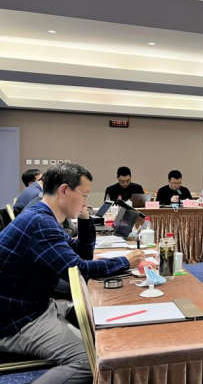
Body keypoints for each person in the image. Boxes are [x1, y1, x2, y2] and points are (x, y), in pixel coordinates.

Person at [0, 163, 145, 384]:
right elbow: (78, 270)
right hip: (18, 320)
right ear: (64, 190)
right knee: (92, 361)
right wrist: (126, 261)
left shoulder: (43, 216)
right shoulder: (40, 223)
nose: (86, 201)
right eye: (84, 195)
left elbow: (82, 254)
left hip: (34, 305)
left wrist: (85, 218)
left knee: (96, 311)